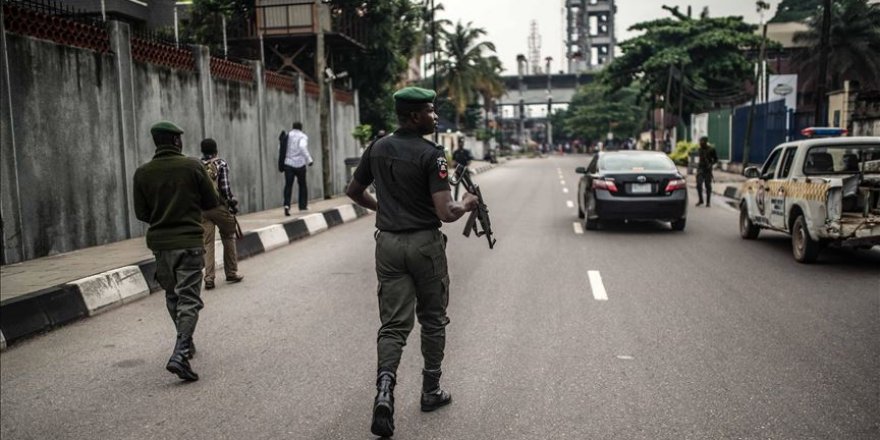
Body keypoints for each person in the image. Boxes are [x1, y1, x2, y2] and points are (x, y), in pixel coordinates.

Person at [346, 86, 479, 438]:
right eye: (431, 111)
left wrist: (384, 211)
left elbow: (354, 192)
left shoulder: (375, 148)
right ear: (415, 115)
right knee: (433, 318)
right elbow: (446, 212)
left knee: (392, 325)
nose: (435, 116)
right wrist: (466, 203)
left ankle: (385, 391)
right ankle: (430, 390)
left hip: (387, 244)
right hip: (423, 244)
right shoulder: (431, 154)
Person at [133, 121, 221, 382]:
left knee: (173, 296)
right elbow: (211, 201)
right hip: (190, 243)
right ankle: (181, 352)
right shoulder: (193, 166)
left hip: (161, 246)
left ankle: (186, 341)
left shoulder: (142, 173)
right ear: (176, 141)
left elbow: (142, 213)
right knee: (189, 299)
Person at [200, 138, 244, 290]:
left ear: (202, 151)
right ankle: (231, 272)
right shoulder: (221, 163)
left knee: (207, 243)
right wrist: (232, 202)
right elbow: (225, 188)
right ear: (216, 150)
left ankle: (209, 278)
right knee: (228, 236)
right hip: (219, 207)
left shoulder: (197, 166)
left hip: (202, 210)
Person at [279, 121, 313, 216]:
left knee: (288, 185)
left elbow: (281, 148)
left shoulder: (287, 135)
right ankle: (302, 206)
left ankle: (286, 205)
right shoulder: (303, 136)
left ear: (293, 127)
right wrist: (309, 159)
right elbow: (302, 147)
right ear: (301, 127)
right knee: (302, 185)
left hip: (288, 164)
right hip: (300, 164)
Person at [695, 136, 718, 207]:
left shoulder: (711, 149)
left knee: (708, 185)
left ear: (705, 142)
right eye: (700, 141)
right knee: (699, 184)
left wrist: (711, 164)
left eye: (702, 141)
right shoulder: (699, 149)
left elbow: (716, 159)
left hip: (708, 170)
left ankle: (708, 202)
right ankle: (701, 200)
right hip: (700, 169)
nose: (700, 143)